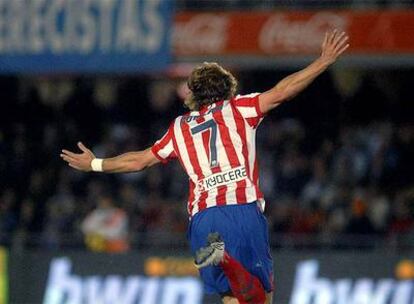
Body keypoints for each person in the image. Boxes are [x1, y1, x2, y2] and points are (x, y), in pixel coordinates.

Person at [61, 30, 349, 304]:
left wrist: (95, 163)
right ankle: (228, 262)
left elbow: (139, 160)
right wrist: (322, 61)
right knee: (261, 299)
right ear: (227, 88)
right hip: (241, 209)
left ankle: (226, 262)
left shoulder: (179, 127)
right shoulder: (239, 109)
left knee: (232, 299)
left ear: (194, 95)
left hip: (203, 220)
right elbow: (282, 92)